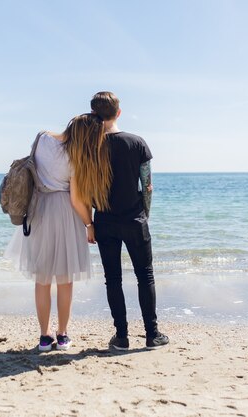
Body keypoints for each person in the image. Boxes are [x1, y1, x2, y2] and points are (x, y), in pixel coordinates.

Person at [5, 113, 111, 352]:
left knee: (41, 280)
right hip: (64, 214)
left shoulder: (42, 138)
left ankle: (44, 337)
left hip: (38, 210)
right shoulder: (77, 157)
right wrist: (89, 224)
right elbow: (76, 199)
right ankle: (62, 336)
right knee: (65, 280)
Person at [90, 91, 169, 350]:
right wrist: (144, 214)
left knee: (112, 279)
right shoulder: (137, 143)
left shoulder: (89, 147)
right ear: (118, 112)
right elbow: (147, 186)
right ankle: (151, 334)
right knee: (145, 275)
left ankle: (121, 337)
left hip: (103, 219)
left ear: (94, 114)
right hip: (134, 218)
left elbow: (85, 186)